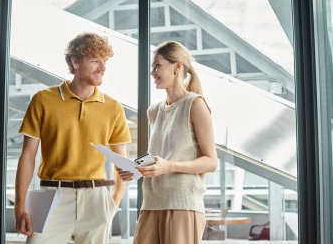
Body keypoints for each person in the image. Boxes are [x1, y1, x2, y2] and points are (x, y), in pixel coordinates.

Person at [14, 32, 131, 244]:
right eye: (96, 61)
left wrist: (113, 203)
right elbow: (28, 156)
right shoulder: (43, 100)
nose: (103, 68)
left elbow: (121, 163)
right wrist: (20, 207)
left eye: (104, 62)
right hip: (49, 194)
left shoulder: (114, 108)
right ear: (76, 62)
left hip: (96, 198)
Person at [119, 41, 218, 244]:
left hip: (182, 206)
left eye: (157, 65)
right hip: (151, 203)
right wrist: (136, 168)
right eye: (152, 66)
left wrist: (169, 166)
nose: (152, 71)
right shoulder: (154, 111)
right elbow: (159, 155)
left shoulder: (195, 104)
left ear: (177, 67)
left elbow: (211, 161)